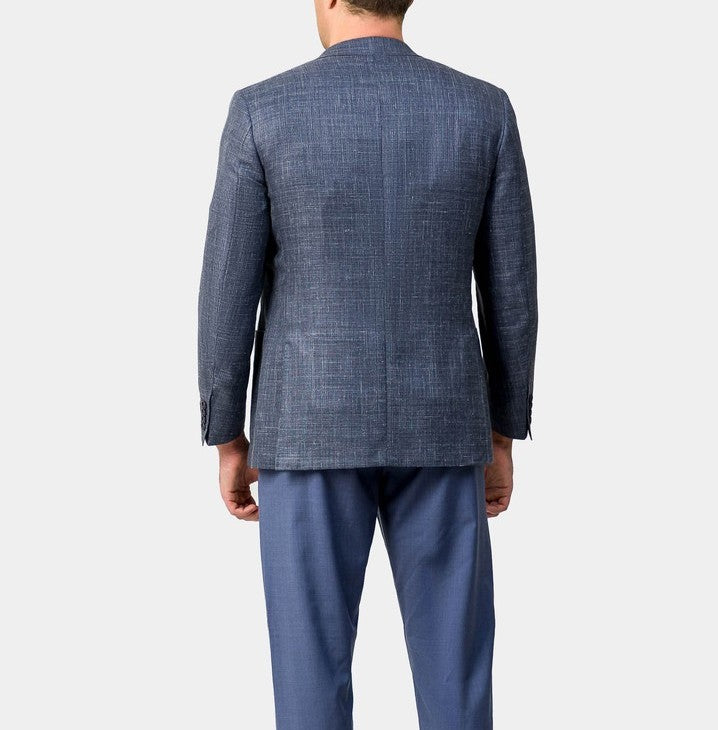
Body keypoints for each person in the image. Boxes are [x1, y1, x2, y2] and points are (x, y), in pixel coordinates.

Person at [197, 0, 537, 727]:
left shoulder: (262, 111)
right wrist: (503, 432)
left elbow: (227, 290)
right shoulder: (483, 110)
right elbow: (512, 292)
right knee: (457, 688)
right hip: (444, 426)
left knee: (308, 686)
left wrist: (227, 436)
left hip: (306, 429)